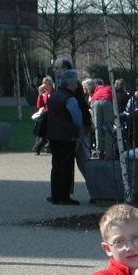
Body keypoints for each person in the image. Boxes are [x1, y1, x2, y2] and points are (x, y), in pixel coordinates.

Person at [46, 69, 83, 205]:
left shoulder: (54, 96)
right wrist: (79, 130)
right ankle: (64, 196)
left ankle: (55, 195)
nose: (76, 86)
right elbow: (77, 119)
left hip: (53, 134)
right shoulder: (70, 99)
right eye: (74, 84)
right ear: (69, 84)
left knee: (56, 165)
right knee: (66, 166)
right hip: (67, 136)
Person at [52, 56, 92, 182]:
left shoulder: (73, 85)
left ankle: (96, 187)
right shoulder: (61, 83)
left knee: (81, 160)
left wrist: (83, 126)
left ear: (65, 69)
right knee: (66, 161)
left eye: (57, 68)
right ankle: (64, 192)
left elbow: (79, 107)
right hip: (68, 129)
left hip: (77, 129)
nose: (54, 71)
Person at [90, 78, 115, 159]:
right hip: (107, 101)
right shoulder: (107, 88)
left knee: (98, 128)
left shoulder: (95, 90)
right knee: (108, 128)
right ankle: (108, 153)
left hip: (96, 102)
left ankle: (99, 152)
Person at [32, 76, 53, 155]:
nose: (44, 85)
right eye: (43, 84)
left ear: (50, 84)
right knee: (41, 127)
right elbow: (39, 105)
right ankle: (38, 146)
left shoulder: (53, 93)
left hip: (52, 115)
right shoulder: (44, 94)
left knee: (45, 129)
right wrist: (40, 94)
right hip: (45, 115)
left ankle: (40, 146)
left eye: (46, 84)